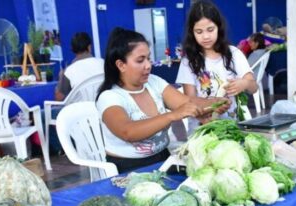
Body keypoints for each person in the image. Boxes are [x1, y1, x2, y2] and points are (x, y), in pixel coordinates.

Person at [97, 28, 227, 173]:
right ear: (121, 65)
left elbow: (186, 103)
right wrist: (172, 115)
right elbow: (128, 131)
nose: (148, 65)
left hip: (162, 159)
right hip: (127, 168)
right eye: (140, 60)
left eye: (148, 58)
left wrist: (214, 103)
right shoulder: (109, 97)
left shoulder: (154, 82)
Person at [176, 0, 257, 125]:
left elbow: (254, 88)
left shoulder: (233, 54)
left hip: (233, 124)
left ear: (219, 27)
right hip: (203, 125)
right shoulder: (189, 61)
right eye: (199, 32)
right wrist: (209, 109)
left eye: (210, 29)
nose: (206, 36)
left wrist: (244, 83)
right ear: (192, 33)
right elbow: (190, 100)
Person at [55, 32, 105, 101]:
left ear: (73, 50)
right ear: (89, 47)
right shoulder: (103, 63)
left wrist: (61, 76)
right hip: (105, 107)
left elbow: (59, 98)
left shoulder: (68, 72)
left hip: (81, 110)